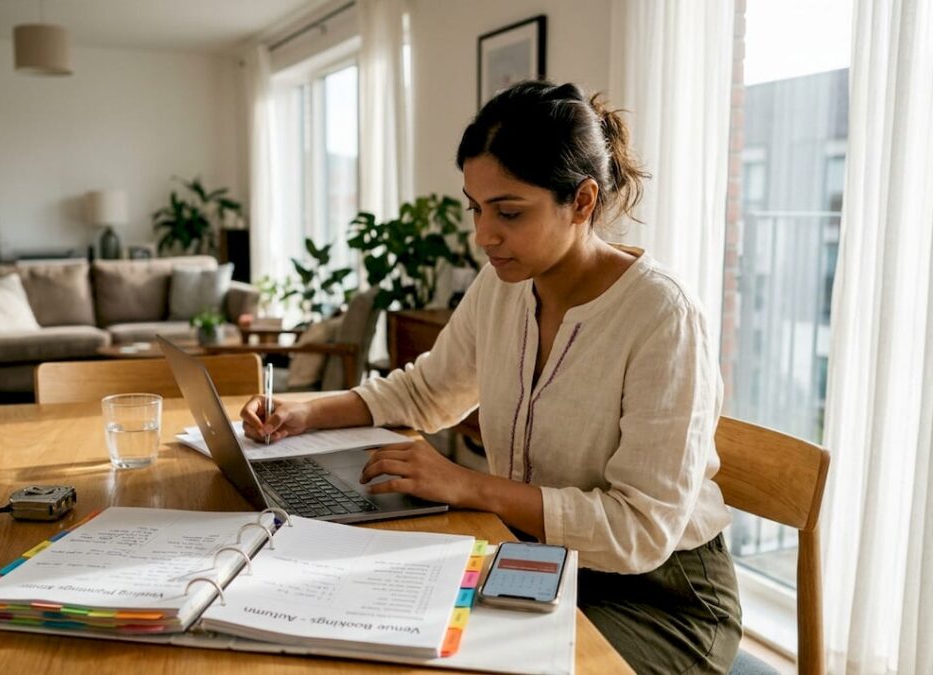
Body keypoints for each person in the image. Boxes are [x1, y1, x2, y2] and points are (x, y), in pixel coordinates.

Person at [241, 80, 741, 674]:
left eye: (508, 212)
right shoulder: (505, 285)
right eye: (475, 208)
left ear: (582, 202)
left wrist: (467, 485)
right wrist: (306, 411)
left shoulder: (662, 315)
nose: (483, 235)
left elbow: (639, 530)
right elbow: (428, 391)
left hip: (661, 598)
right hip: (532, 562)